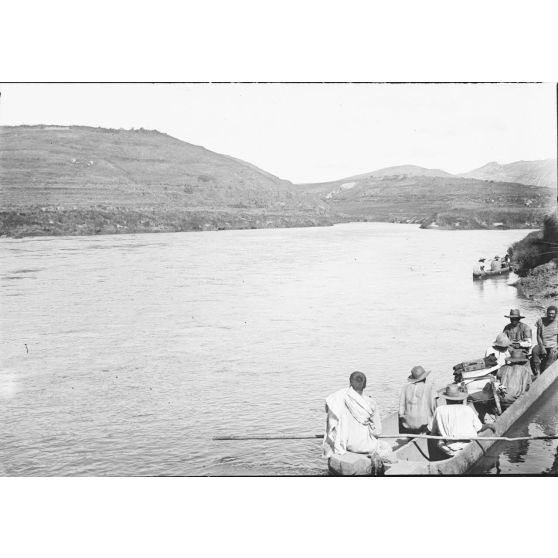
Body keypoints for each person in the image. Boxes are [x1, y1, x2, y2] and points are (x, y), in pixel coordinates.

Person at [323, 371, 392, 460]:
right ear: (365, 385)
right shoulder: (371, 403)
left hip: (345, 444)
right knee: (386, 447)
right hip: (365, 446)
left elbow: (328, 409)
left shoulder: (338, 398)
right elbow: (377, 432)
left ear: (350, 383)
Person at [430, 384, 495, 458]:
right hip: (468, 446)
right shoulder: (467, 409)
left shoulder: (439, 410)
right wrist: (488, 425)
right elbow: (479, 428)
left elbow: (433, 433)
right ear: (459, 398)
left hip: (449, 449)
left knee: (437, 439)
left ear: (446, 399)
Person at [398, 365, 437, 434]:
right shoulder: (430, 388)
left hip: (407, 425)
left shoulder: (404, 388)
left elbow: (401, 410)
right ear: (425, 377)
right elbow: (435, 408)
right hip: (424, 425)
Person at [531, 306, 558, 376]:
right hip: (543, 344)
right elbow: (538, 336)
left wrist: (556, 347)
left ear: (556, 314)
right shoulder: (541, 321)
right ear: (547, 313)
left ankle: (546, 373)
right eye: (549, 313)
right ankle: (537, 372)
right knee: (534, 351)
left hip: (554, 345)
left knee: (552, 355)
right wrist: (542, 347)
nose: (550, 315)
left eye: (552, 313)